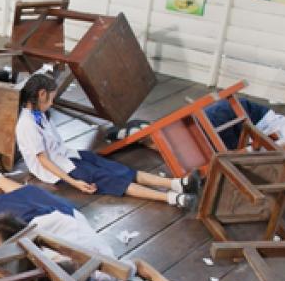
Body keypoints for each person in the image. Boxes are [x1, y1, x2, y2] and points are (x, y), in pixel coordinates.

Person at [0, 155, 193, 281]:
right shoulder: (110, 276)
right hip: (61, 218)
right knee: (17, 196)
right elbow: (140, 265)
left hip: (50, 225)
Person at [16, 74, 199, 209]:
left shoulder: (39, 113)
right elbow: (44, 161)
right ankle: (172, 198)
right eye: (51, 98)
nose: (52, 103)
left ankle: (176, 184)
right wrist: (74, 182)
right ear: (41, 94)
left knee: (118, 169)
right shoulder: (27, 125)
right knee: (111, 179)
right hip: (60, 170)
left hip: (68, 156)